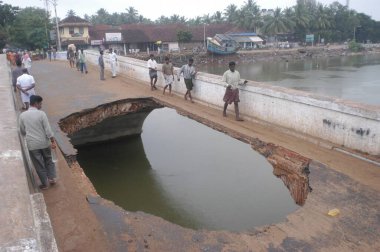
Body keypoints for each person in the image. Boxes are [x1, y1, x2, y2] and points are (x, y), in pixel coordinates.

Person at [19, 95, 57, 190]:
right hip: (44, 143)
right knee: (48, 160)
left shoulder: (22, 115)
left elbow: (22, 131)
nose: (41, 105)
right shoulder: (41, 114)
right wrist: (52, 141)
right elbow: (48, 130)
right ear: (36, 103)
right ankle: (51, 179)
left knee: (38, 164)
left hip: (32, 145)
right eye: (40, 103)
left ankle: (45, 184)